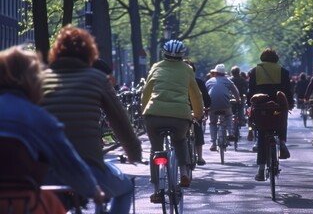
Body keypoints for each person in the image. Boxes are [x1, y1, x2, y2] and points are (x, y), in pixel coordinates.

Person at [39, 24, 142, 214]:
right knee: (126, 189)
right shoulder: (97, 78)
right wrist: (134, 151)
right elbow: (120, 121)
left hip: (46, 171)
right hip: (88, 169)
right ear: (90, 52)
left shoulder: (39, 80)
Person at [0, 46, 104, 213]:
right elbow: (70, 165)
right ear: (32, 80)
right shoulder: (40, 119)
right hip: (28, 204)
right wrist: (93, 190)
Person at [141, 40, 204, 202]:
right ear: (182, 55)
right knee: (180, 140)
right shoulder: (187, 69)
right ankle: (183, 173)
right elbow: (195, 95)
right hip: (180, 116)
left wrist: (144, 111)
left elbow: (146, 91)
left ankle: (156, 190)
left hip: (154, 115)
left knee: (156, 150)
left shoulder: (156, 67)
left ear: (165, 53)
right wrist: (198, 113)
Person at [247, 48, 294, 181]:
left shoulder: (254, 71)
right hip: (278, 104)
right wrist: (289, 103)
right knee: (281, 121)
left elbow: (251, 90)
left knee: (262, 133)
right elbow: (287, 90)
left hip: (261, 106)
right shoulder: (283, 71)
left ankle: (261, 170)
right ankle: (282, 142)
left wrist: (248, 102)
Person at [205, 64, 241, 151]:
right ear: (224, 74)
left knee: (213, 123)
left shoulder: (209, 81)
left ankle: (213, 143)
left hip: (212, 105)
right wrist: (237, 100)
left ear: (215, 73)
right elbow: (235, 91)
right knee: (228, 115)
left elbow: (204, 93)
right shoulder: (227, 80)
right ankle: (230, 132)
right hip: (225, 105)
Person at [184, 59, 211, 166]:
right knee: (197, 129)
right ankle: (199, 157)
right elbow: (206, 99)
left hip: (178, 111)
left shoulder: (175, 82)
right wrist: (207, 107)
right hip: (193, 111)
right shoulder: (198, 82)